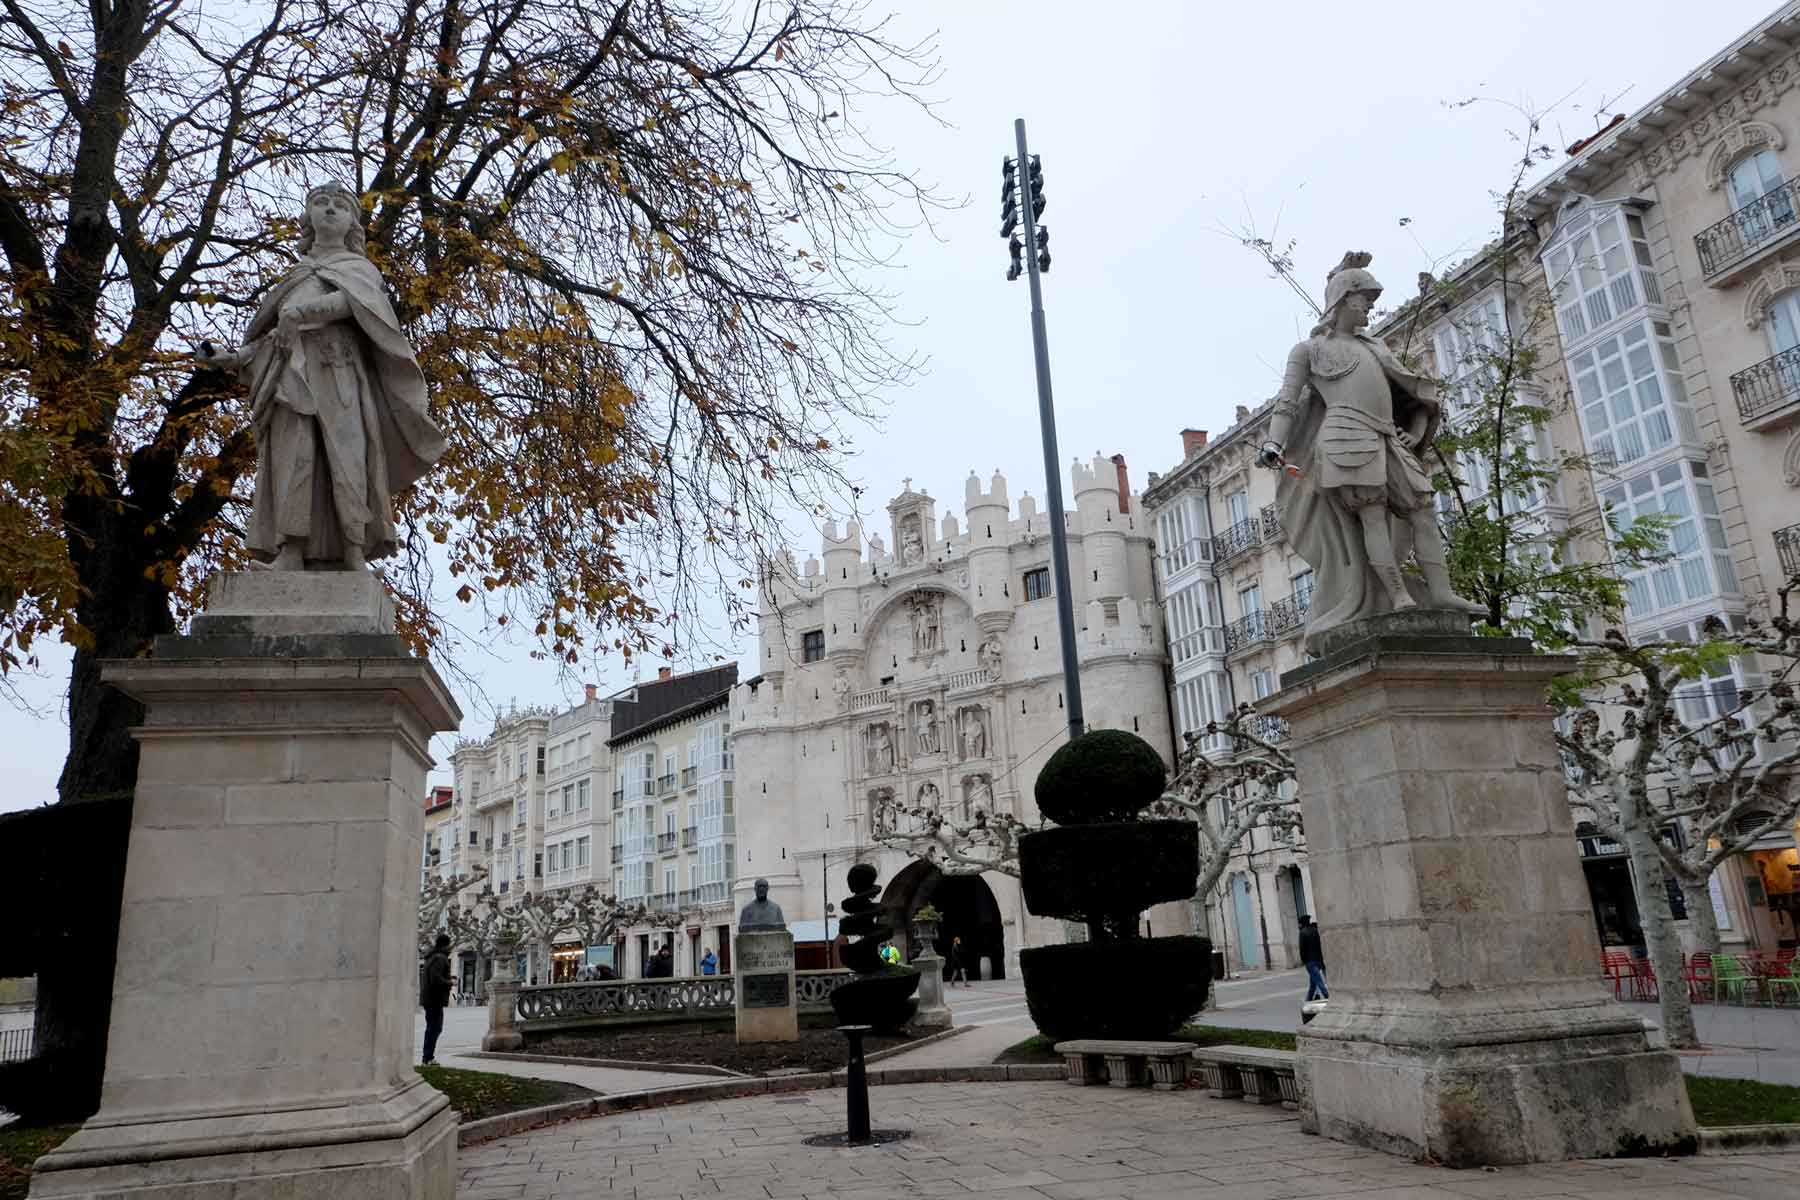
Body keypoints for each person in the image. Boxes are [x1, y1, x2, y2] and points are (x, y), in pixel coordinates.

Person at [194, 180, 446, 571]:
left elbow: (356, 303)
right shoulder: (294, 277)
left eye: (340, 206)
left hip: (339, 376)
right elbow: (272, 340)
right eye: (321, 203)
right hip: (292, 377)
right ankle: (291, 551)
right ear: (308, 216)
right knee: (295, 460)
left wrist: (303, 314)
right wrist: (230, 358)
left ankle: (353, 551)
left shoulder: (359, 269)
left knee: (347, 461)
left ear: (352, 224)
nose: (330, 209)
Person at [420, 933, 452, 1065]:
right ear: (446, 945)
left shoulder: (432, 957)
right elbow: (436, 979)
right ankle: (427, 1058)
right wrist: (450, 982)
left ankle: (428, 1057)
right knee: (434, 1028)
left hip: (430, 999)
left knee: (433, 1027)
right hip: (434, 999)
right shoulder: (439, 958)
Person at [1298, 915, 1328, 1001]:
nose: (1299, 925)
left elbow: (1302, 948)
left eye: (1299, 924)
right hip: (1318, 959)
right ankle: (1309, 999)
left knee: (1318, 980)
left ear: (1302, 923)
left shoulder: (1302, 932)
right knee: (1313, 982)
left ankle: (1326, 995)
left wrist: (1303, 960)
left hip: (1309, 961)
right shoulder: (1315, 931)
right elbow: (1319, 944)